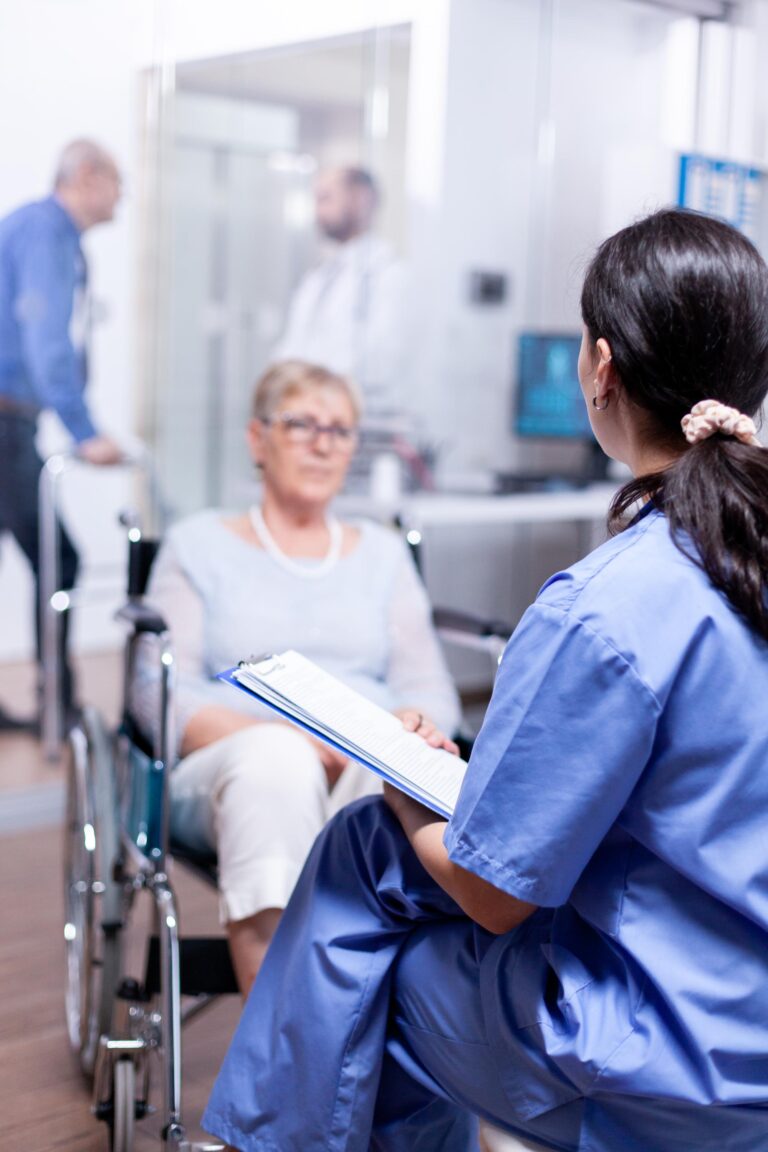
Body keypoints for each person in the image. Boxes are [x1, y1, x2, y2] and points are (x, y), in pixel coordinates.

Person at [202, 209, 768, 1152]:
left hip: (663, 1058)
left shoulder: (605, 607)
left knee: (361, 887)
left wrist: (397, 782)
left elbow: (495, 897)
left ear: (599, 369)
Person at [133, 359, 460, 996]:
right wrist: (291, 738)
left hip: (363, 759)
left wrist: (417, 726)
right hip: (230, 763)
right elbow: (156, 692)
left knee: (398, 765)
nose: (321, 442)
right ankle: (282, 1036)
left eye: (339, 430)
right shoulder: (198, 544)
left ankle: (380, 1018)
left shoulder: (382, 553)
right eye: (301, 423)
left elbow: (429, 685)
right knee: (275, 760)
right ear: (258, 439)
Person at [0, 139, 123, 729]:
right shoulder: (45, 231)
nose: (120, 195)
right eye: (115, 182)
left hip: (12, 421)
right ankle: (58, 703)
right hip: (4, 422)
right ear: (87, 176)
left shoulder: (43, 231)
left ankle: (52, 698)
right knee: (61, 562)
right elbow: (44, 337)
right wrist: (84, 430)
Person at [272, 167, 408, 415]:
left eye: (325, 199)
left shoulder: (389, 276)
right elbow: (291, 347)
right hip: (307, 413)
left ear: (361, 200)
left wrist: (313, 391)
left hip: (354, 420)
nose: (317, 212)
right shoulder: (318, 278)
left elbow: (379, 362)